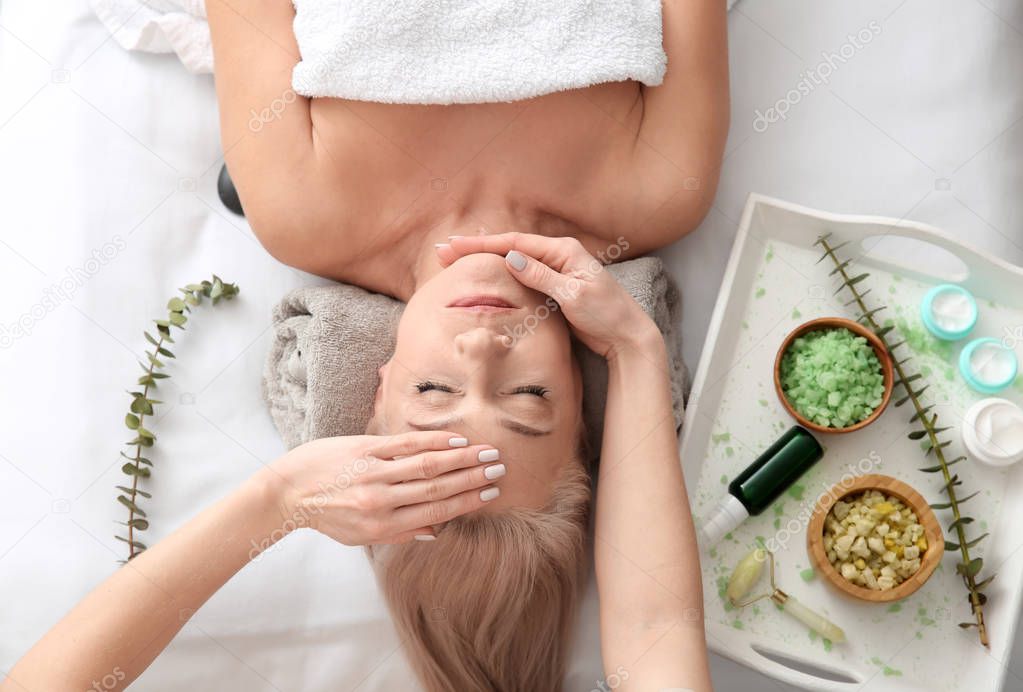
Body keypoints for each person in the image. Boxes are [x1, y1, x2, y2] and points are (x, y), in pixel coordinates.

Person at [4, 0, 727, 689]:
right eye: (528, 396)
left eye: (433, 392)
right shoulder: (658, 187)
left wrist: (280, 497)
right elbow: (655, 633)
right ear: (582, 402)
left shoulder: (304, 212)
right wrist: (635, 347)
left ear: (375, 390)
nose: (480, 349)